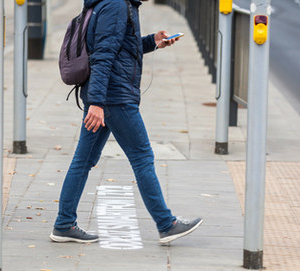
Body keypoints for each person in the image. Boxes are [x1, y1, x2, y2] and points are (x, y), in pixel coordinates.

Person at [50, 0, 203, 244]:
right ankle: (166, 224)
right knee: (142, 157)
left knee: (83, 160)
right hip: (115, 97)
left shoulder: (115, 4)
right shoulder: (117, 5)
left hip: (105, 95)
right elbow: (103, 55)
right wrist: (97, 103)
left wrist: (153, 41)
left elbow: (122, 48)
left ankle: (64, 223)